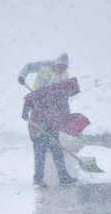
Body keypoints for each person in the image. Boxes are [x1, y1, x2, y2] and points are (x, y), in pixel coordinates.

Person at [17, 53, 78, 187]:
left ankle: (63, 177)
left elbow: (63, 104)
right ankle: (38, 179)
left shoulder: (64, 81)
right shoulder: (45, 68)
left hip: (51, 117)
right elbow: (30, 98)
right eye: (59, 66)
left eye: (64, 67)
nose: (61, 69)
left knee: (56, 149)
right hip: (38, 118)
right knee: (40, 151)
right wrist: (22, 76)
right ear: (56, 64)